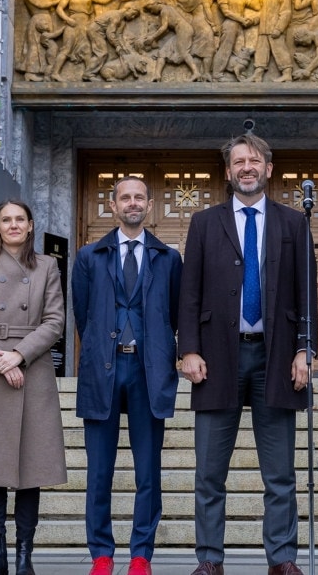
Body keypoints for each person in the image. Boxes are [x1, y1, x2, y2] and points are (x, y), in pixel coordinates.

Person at [178, 132, 317, 575]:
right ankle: (210, 560)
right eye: (239, 161)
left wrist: (304, 350)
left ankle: (282, 558)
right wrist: (189, 349)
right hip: (217, 359)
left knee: (279, 474)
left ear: (269, 169)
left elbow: (306, 294)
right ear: (228, 171)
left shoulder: (294, 223)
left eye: (254, 160)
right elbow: (189, 292)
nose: (247, 167)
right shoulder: (204, 222)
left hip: (276, 360)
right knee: (209, 473)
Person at [72, 177, 182, 575]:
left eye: (139, 197)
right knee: (99, 472)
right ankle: (101, 554)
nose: (132, 203)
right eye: (125, 198)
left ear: (149, 206)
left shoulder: (168, 258)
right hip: (103, 369)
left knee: (147, 471)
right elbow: (83, 315)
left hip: (148, 372)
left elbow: (174, 314)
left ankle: (141, 555)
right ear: (113, 206)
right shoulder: (89, 256)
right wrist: (104, 350)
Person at [0, 200, 67, 575]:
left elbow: (55, 322)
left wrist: (19, 355)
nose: (14, 225)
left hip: (32, 371)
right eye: (7, 220)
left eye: (20, 219)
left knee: (29, 468)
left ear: (31, 225)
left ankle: (24, 558)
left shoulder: (48, 266)